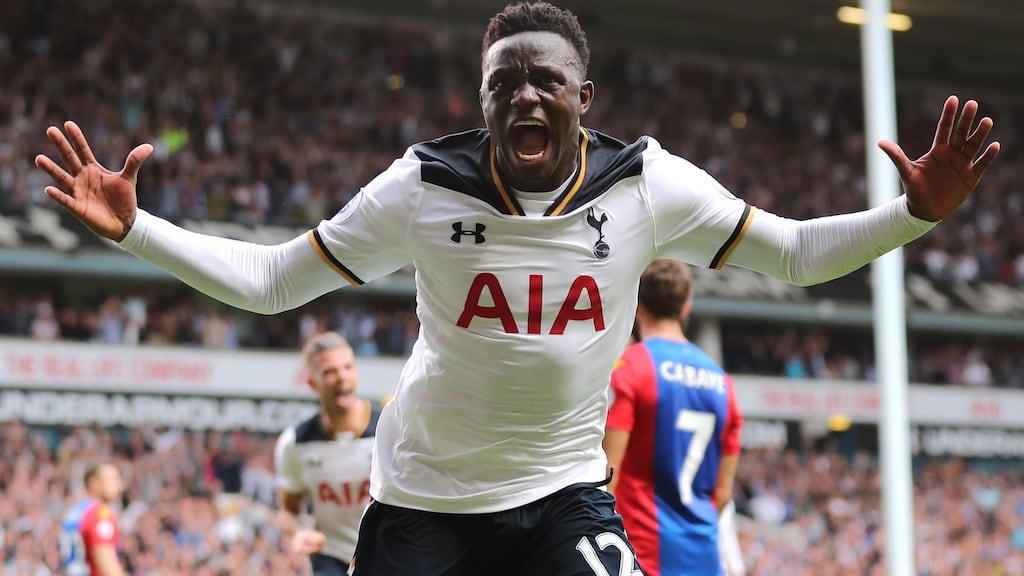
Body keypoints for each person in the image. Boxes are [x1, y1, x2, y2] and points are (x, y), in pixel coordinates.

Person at [35, 2, 999, 573]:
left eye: (548, 80)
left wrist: (912, 217)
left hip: (564, 493)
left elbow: (791, 253)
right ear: (484, 98)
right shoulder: (422, 188)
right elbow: (275, 282)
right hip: (422, 502)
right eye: (506, 83)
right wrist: (140, 230)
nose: (526, 95)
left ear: (585, 99)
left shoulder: (647, 185)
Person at [604, 259, 743, 576]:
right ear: (686, 308)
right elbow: (722, 494)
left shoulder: (630, 369)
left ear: (637, 305)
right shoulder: (723, 383)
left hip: (642, 556)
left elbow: (607, 476)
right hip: (704, 558)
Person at [274, 331, 384, 575]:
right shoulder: (295, 444)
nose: (342, 377)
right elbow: (288, 509)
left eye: (347, 367)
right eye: (330, 372)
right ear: (313, 383)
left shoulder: (388, 428)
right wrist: (299, 531)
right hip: (331, 556)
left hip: (386, 551)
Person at [60, 463, 125, 576]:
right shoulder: (100, 514)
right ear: (93, 483)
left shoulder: (74, 512)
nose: (119, 486)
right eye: (111, 480)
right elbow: (106, 562)